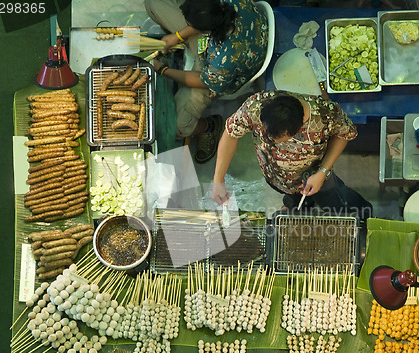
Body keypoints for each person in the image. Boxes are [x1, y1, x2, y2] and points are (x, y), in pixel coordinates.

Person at [211, 90, 373, 220]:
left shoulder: (325, 115)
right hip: (276, 177)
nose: (270, 141)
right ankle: (297, 207)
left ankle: (364, 220)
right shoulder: (254, 106)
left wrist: (322, 172)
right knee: (295, 202)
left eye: (279, 139)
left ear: (299, 127)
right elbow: (231, 134)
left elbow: (344, 135)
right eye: (267, 136)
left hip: (316, 176)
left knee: (339, 201)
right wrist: (218, 180)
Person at [145, 0, 269, 163]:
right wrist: (177, 36)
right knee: (153, 4)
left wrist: (163, 70)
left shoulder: (225, 59)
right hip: (212, 45)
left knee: (176, 127)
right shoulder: (221, 6)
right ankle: (184, 46)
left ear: (206, 29)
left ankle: (210, 126)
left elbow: (202, 80)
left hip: (215, 74)